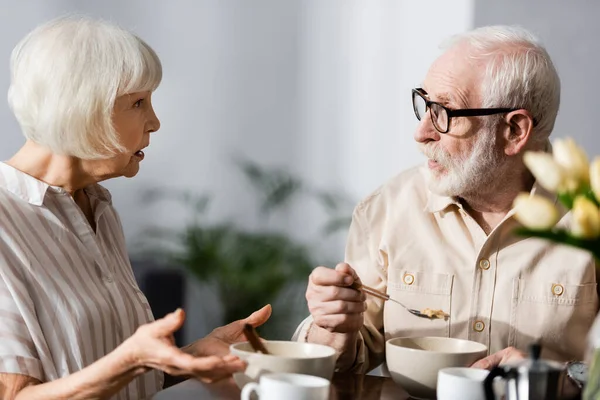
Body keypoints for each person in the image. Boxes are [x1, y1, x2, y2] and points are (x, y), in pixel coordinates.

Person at [293, 25, 597, 394]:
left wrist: (560, 379)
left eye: (444, 112)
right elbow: (345, 359)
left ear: (514, 131)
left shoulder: (589, 215)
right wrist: (332, 326)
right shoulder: (387, 208)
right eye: (424, 104)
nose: (421, 133)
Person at [0, 16, 271, 399]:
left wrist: (193, 353)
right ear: (81, 109)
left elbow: (116, 375)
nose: (155, 122)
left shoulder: (98, 208)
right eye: (138, 102)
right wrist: (131, 361)